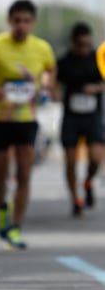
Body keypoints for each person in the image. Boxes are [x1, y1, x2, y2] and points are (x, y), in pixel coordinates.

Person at [0, 0, 56, 249]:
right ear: (10, 21)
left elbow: (50, 71)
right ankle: (2, 208)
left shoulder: (42, 48)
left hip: (26, 118)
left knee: (25, 173)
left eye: (27, 21)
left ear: (33, 23)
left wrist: (47, 86)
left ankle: (15, 227)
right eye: (17, 21)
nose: (21, 26)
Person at [56, 22, 105, 216]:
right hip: (71, 116)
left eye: (86, 44)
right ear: (74, 43)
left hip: (93, 116)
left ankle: (88, 181)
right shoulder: (65, 62)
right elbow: (54, 84)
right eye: (80, 45)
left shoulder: (98, 59)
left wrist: (96, 88)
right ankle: (75, 199)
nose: (84, 48)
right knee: (70, 160)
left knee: (95, 158)